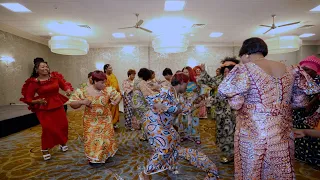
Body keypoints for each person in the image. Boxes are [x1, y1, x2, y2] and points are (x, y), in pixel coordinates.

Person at [218, 37, 320, 179]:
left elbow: (236, 103)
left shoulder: (245, 69)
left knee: (252, 170)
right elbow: (300, 102)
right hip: (282, 131)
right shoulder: (291, 69)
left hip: (253, 132)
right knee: (281, 169)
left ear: (246, 54)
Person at [139, 73, 219, 180]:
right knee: (164, 149)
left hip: (165, 124)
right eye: (186, 84)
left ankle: (169, 164)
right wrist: (160, 105)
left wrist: (199, 105)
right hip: (153, 123)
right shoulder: (167, 91)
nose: (187, 86)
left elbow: (184, 108)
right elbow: (151, 99)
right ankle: (145, 173)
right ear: (182, 83)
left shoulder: (177, 95)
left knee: (175, 141)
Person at [20, 59, 73, 160]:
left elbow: (65, 86)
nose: (45, 68)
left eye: (46, 66)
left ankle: (62, 142)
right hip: (44, 108)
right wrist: (37, 101)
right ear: (36, 70)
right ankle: (45, 149)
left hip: (57, 104)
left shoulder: (55, 77)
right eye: (42, 67)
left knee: (63, 125)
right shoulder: (34, 82)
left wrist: (68, 90)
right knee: (48, 128)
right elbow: (28, 98)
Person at [69, 70, 121, 166]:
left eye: (105, 81)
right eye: (102, 82)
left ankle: (104, 155)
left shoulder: (107, 89)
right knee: (93, 139)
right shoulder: (83, 90)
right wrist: (82, 102)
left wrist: (115, 102)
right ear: (94, 81)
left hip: (105, 119)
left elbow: (118, 96)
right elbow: (72, 103)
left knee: (105, 138)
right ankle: (95, 159)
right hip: (91, 120)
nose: (104, 84)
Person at [198, 57, 240, 163]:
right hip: (220, 112)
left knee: (231, 133)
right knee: (221, 133)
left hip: (233, 112)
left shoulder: (239, 80)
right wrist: (203, 71)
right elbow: (209, 81)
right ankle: (227, 152)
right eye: (224, 70)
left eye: (229, 70)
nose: (226, 72)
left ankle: (232, 154)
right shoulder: (220, 79)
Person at [293, 55, 320, 165]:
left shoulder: (318, 80)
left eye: (307, 69)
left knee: (312, 137)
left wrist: (311, 103)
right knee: (299, 136)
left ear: (315, 70)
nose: (304, 71)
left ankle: (312, 161)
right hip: (299, 113)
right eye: (303, 69)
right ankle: (301, 158)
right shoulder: (300, 79)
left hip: (313, 114)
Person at [132, 68, 158, 140]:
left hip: (135, 102)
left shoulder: (136, 81)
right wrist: (157, 94)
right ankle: (145, 136)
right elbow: (146, 93)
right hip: (141, 103)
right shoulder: (142, 82)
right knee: (146, 119)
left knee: (143, 119)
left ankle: (144, 135)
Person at [179, 66, 202, 144]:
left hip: (193, 103)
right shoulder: (181, 83)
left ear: (190, 73)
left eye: (186, 72)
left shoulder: (195, 83)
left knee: (194, 119)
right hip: (184, 103)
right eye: (183, 72)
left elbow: (200, 93)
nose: (185, 73)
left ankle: (196, 136)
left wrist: (197, 101)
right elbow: (179, 93)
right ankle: (184, 135)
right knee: (184, 119)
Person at [104, 64, 121, 128]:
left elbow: (117, 85)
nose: (111, 69)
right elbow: (105, 87)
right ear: (105, 69)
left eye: (111, 68)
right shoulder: (105, 77)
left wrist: (119, 93)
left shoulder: (113, 76)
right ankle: (109, 123)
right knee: (110, 110)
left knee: (116, 110)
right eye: (110, 68)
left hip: (116, 96)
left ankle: (114, 123)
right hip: (110, 97)